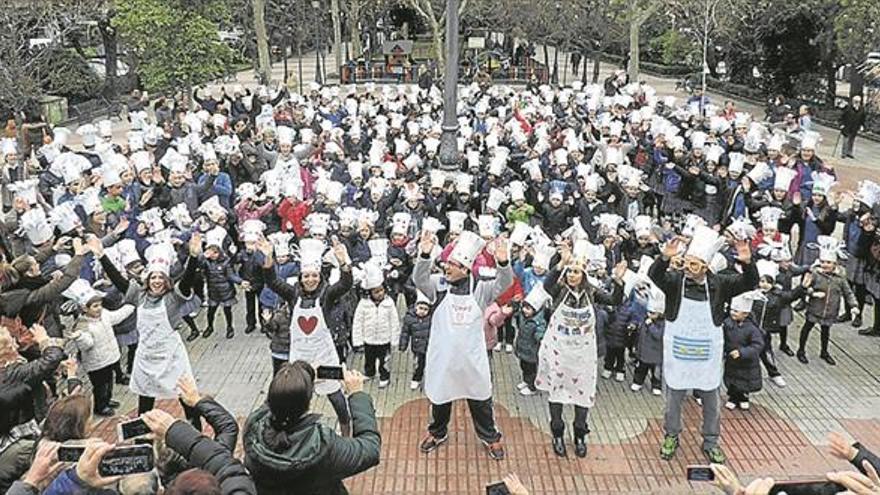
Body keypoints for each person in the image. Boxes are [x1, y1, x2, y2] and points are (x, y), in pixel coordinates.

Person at [648, 225, 758, 464]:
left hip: (706, 355)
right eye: (687, 262)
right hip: (679, 353)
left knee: (711, 400)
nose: (688, 268)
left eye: (694, 264)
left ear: (706, 267)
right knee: (673, 398)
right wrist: (664, 257)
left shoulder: (721, 284)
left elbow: (750, 283)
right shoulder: (675, 282)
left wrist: (748, 263)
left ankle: (710, 441)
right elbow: (654, 275)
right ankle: (671, 435)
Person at [413, 230, 512, 460]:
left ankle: (490, 437)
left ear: (466, 269)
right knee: (439, 398)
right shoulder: (438, 285)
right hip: (444, 358)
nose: (447, 268)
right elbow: (419, 279)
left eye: (453, 265)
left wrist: (503, 261)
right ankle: (437, 432)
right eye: (447, 263)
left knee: (480, 399)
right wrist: (425, 255)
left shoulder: (481, 288)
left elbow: (505, 282)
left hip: (473, 359)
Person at [93, 236, 202, 427]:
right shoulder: (138, 294)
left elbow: (187, 280)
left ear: (167, 280)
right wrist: (102, 255)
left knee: (186, 398)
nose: (157, 281)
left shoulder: (173, 298)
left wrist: (193, 256)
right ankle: (142, 441)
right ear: (148, 279)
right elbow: (119, 281)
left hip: (172, 358)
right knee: (145, 404)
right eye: (153, 277)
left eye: (161, 277)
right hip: (146, 357)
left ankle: (196, 435)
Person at [537, 241, 626, 458]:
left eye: (576, 272)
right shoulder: (559, 289)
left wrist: (618, 280)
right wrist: (560, 265)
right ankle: (557, 432)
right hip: (559, 350)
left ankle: (579, 434)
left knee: (582, 395)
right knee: (557, 394)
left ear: (584, 274)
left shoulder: (592, 292)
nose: (572, 275)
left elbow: (614, 300)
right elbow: (547, 286)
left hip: (583, 355)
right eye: (570, 271)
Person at [258, 237, 354, 433]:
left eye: (314, 276)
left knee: (336, 396)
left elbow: (345, 285)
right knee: (295, 395)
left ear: (320, 276)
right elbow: (272, 281)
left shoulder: (327, 295)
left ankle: (346, 427)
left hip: (324, 356)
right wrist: (268, 257)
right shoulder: (293, 294)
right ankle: (289, 428)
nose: (310, 280)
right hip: (300, 358)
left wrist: (344, 262)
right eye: (306, 276)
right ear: (300, 277)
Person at [242, 360, 380, 495]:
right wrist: (357, 395)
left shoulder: (253, 426)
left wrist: (303, 376)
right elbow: (371, 449)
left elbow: (278, 399)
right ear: (307, 404)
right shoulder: (322, 446)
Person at [64, 279, 134, 416]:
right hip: (96, 363)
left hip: (109, 357)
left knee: (109, 382)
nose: (99, 308)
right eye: (95, 306)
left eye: (100, 305)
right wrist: (79, 337)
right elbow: (87, 344)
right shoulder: (83, 325)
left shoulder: (105, 315)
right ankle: (100, 406)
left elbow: (117, 316)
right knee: (100, 386)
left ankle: (107, 400)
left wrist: (130, 306)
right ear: (85, 308)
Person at [797, 236, 857, 366]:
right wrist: (812, 292)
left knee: (825, 332)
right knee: (807, 328)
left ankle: (824, 351)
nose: (825, 265)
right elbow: (804, 289)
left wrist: (853, 305)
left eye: (828, 262)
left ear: (835, 264)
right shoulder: (815, 274)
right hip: (815, 308)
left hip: (830, 310)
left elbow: (848, 292)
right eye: (823, 262)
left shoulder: (840, 278)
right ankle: (801, 350)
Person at [351, 262, 400, 388]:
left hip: (384, 339)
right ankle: (370, 372)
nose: (379, 293)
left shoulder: (389, 303)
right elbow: (358, 322)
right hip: (369, 338)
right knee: (369, 358)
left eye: (381, 290)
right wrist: (357, 340)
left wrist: (395, 339)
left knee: (384, 360)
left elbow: (394, 321)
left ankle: (384, 376)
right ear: (369, 292)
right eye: (376, 291)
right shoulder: (363, 304)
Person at [722, 290, 766, 410]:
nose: (733, 313)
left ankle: (743, 397)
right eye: (732, 310)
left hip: (747, 361)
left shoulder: (752, 328)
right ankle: (732, 397)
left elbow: (758, 345)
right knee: (732, 380)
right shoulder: (726, 324)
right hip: (732, 359)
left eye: (736, 311)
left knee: (745, 381)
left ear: (745, 313)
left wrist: (742, 352)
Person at [513, 287, 548, 396]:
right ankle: (526, 381)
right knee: (524, 367)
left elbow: (540, 332)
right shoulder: (523, 316)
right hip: (522, 349)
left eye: (528, 308)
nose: (525, 310)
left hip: (532, 353)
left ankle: (532, 387)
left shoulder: (539, 322)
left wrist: (540, 337)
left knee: (531, 371)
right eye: (524, 307)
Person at [631, 285, 665, 395]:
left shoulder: (662, 323)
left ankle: (656, 385)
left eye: (653, 313)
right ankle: (638, 382)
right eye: (649, 312)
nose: (649, 314)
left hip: (656, 354)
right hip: (643, 352)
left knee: (656, 372)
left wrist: (650, 326)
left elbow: (659, 335)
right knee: (640, 369)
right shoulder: (644, 318)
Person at [398, 292, 432, 390]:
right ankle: (416, 379)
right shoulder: (410, 318)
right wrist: (402, 346)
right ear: (416, 307)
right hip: (417, 348)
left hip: (430, 347)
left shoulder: (431, 319)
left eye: (425, 309)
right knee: (419, 365)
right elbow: (405, 333)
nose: (422, 311)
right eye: (420, 308)